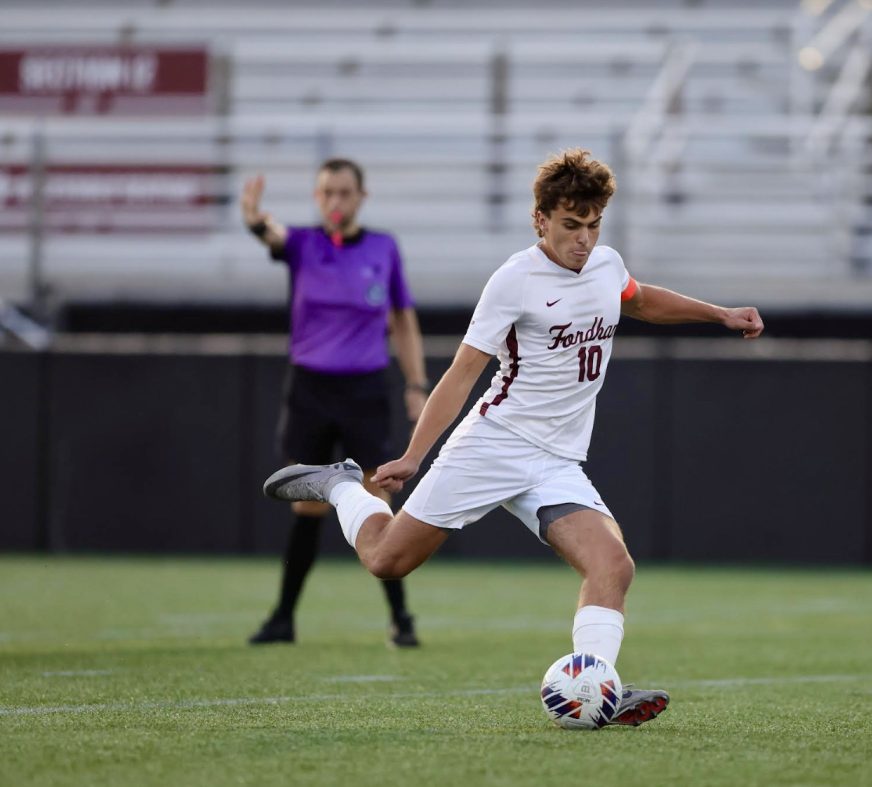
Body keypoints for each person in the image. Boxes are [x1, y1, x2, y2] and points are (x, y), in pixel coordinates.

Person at [262, 148, 763, 725]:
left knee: (613, 565)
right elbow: (462, 373)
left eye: (594, 224)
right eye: (571, 225)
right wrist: (413, 457)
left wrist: (719, 314)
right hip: (493, 444)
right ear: (541, 220)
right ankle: (342, 485)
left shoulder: (606, 265)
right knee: (385, 560)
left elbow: (641, 300)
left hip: (556, 461)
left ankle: (597, 683)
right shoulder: (515, 279)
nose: (584, 239)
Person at [242, 157, 429, 648]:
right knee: (308, 506)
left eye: (345, 192)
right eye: (327, 193)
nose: (335, 202)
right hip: (311, 390)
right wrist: (254, 218)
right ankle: (283, 618)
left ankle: (401, 620)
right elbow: (271, 234)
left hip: (365, 389)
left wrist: (416, 383)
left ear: (361, 197)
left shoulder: (383, 248)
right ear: (317, 197)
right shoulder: (303, 244)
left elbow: (403, 320)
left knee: (376, 498)